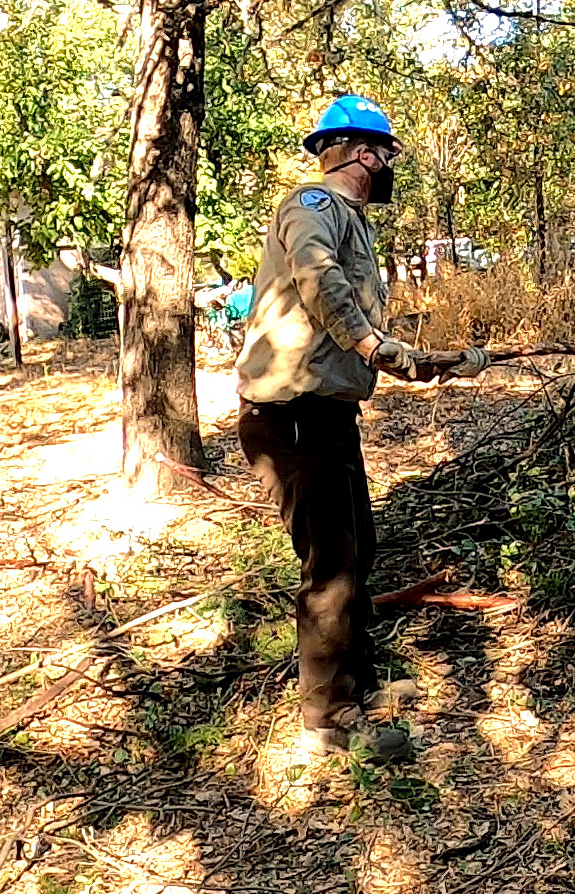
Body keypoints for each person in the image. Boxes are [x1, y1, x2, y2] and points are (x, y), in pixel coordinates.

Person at [236, 95, 491, 762]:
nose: (388, 167)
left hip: (327, 415)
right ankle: (329, 722)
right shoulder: (312, 207)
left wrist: (439, 363)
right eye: (386, 154)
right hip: (291, 418)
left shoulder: (353, 222)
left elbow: (362, 327)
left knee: (359, 550)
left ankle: (358, 683)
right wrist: (378, 349)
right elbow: (321, 282)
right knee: (332, 571)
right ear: (362, 153)